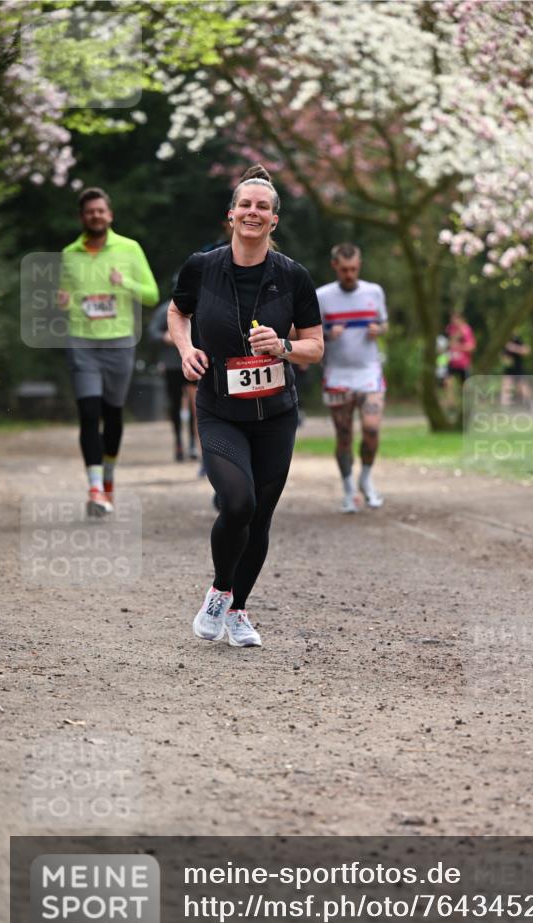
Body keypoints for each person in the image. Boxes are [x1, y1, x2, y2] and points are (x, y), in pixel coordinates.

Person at [168, 164, 323, 648]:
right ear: (230, 215)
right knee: (238, 502)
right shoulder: (202, 266)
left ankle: (237, 611)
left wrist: (284, 348)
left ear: (274, 220)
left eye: (263, 207)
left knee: (260, 517)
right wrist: (185, 348)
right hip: (219, 408)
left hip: (276, 413)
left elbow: (315, 345)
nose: (253, 212)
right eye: (246, 205)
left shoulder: (293, 277)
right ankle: (219, 591)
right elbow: (178, 312)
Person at [58, 187, 159, 515]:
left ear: (110, 215)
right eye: (89, 212)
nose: (95, 216)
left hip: (119, 343)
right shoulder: (68, 254)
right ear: (81, 217)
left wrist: (125, 283)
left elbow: (152, 295)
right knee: (88, 413)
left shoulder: (130, 249)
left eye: (100, 211)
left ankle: (109, 479)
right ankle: (95, 488)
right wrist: (63, 301)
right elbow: (67, 296)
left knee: (112, 413)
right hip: (81, 342)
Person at [316, 243, 389, 513]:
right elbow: (306, 334)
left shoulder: (373, 291)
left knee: (371, 429)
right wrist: (326, 334)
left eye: (354, 269)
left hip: (369, 371)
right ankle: (348, 489)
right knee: (344, 435)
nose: (350, 274)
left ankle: (366, 479)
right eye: (345, 269)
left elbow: (384, 322)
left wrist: (378, 329)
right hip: (338, 374)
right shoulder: (322, 296)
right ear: (335, 266)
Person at [149, 289, 198, 462]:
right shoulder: (165, 310)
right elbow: (152, 332)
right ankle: (178, 441)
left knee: (196, 404)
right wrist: (166, 337)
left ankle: (194, 442)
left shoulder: (198, 306)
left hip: (194, 362)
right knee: (175, 404)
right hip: (172, 365)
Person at [500, 332, 532, 406]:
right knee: (505, 387)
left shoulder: (517, 339)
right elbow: (503, 355)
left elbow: (527, 350)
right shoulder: (504, 339)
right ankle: (504, 408)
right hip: (509, 369)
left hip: (518, 368)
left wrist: (513, 348)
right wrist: (505, 359)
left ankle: (532, 404)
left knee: (523, 388)